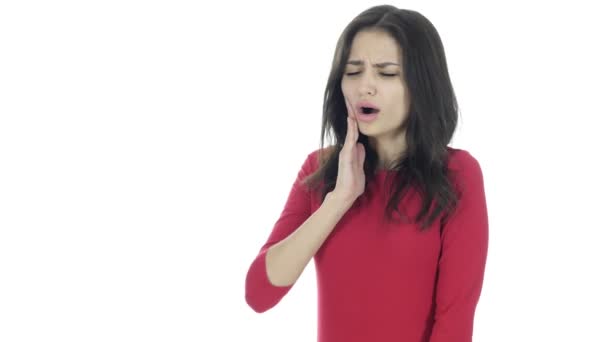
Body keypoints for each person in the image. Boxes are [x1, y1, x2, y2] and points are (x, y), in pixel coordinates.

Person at [244, 5, 489, 342]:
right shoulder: (319, 170)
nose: (365, 87)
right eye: (353, 71)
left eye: (386, 73)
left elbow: (455, 322)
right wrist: (338, 200)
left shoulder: (458, 175)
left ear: (422, 85)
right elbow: (259, 293)